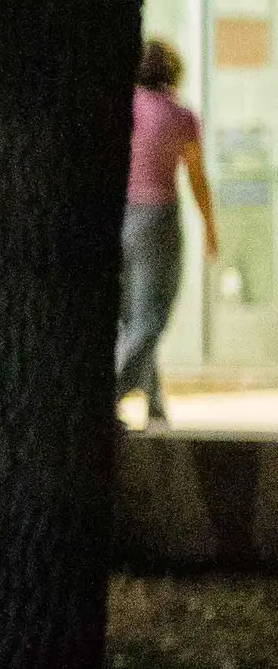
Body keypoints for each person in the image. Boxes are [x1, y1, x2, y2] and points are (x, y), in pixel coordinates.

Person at [118, 37, 220, 428]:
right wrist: (210, 227)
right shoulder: (179, 116)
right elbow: (196, 177)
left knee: (131, 317)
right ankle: (109, 390)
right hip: (157, 217)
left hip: (118, 217)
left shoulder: (121, 107)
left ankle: (155, 405)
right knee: (153, 315)